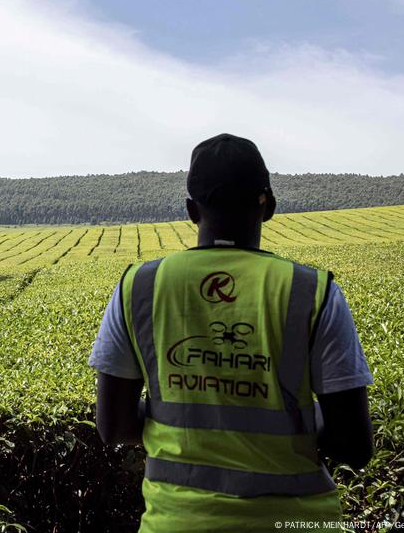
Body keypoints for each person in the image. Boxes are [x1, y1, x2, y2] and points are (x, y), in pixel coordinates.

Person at [88, 133, 374, 532]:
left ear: (191, 210)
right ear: (269, 205)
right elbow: (353, 447)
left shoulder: (139, 286)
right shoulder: (312, 292)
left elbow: (113, 427)